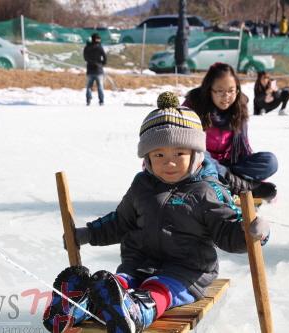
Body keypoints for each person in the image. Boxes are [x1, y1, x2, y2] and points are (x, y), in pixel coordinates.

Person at [43, 92, 270, 333]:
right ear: (147, 157)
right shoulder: (142, 185)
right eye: (159, 155)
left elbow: (226, 231)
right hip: (138, 264)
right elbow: (121, 221)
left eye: (179, 154)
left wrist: (252, 232)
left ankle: (137, 312)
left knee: (157, 288)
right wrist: (88, 233)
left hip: (187, 271)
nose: (168, 162)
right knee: (116, 283)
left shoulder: (207, 191)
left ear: (195, 154)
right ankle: (79, 305)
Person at [183, 63, 278, 201]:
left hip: (230, 164)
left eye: (231, 90)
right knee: (199, 153)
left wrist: (227, 170)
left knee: (270, 161)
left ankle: (227, 180)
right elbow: (185, 141)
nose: (226, 96)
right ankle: (245, 186)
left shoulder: (239, 106)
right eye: (220, 91)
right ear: (210, 90)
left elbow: (244, 147)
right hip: (201, 162)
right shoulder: (194, 105)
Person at [83, 33, 106, 106]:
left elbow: (85, 58)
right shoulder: (99, 47)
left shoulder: (87, 47)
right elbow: (105, 57)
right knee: (100, 86)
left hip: (90, 70)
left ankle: (88, 100)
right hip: (98, 70)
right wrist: (102, 63)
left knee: (89, 86)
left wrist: (91, 62)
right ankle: (101, 101)